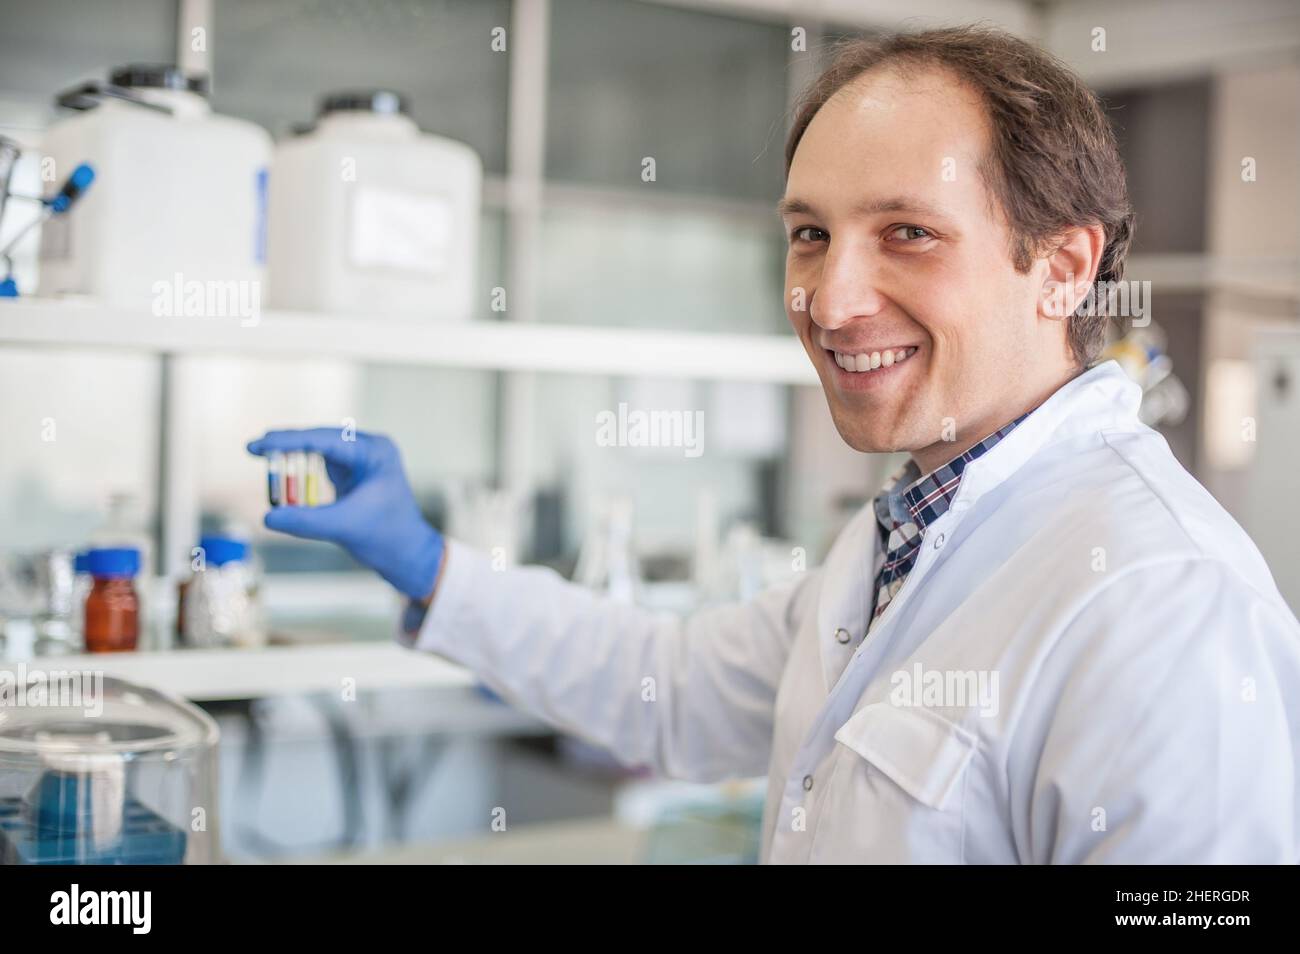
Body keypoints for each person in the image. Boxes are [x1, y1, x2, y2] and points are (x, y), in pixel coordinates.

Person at [248, 27, 1300, 863]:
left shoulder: (1160, 600)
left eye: (907, 233)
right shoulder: (896, 536)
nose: (830, 300)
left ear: (1061, 267)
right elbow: (665, 687)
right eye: (810, 234)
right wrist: (423, 560)